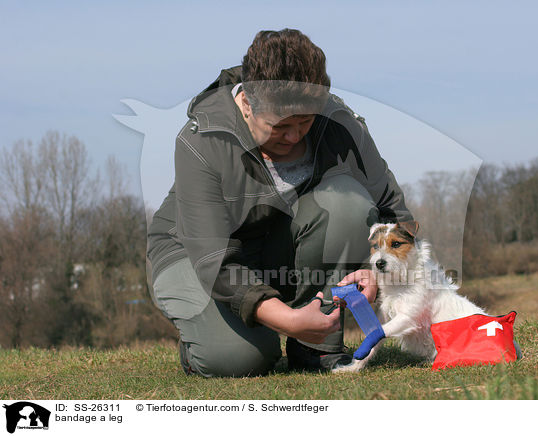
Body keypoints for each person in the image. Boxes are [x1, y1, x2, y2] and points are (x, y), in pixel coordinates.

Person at [146, 29, 413, 377]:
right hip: (196, 255)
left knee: (349, 204)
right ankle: (205, 342)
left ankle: (316, 348)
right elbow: (213, 260)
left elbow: (391, 210)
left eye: (305, 122)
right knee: (239, 359)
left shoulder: (339, 124)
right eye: (280, 125)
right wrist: (287, 319)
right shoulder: (201, 141)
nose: (293, 135)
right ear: (246, 104)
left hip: (277, 245)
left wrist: (382, 270)